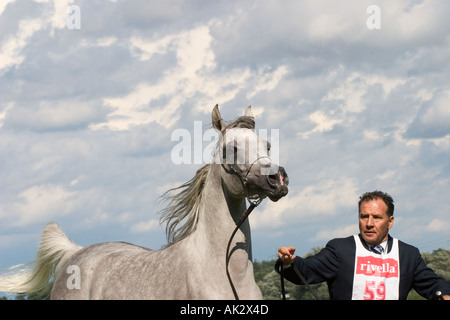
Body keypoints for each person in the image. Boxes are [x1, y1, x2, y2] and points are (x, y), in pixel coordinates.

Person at [276, 190, 450, 300]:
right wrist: (289, 262)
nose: (369, 223)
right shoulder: (340, 249)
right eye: (364, 216)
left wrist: (444, 295)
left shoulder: (408, 255)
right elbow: (306, 270)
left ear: (390, 222)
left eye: (377, 217)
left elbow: (434, 285)